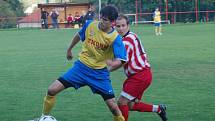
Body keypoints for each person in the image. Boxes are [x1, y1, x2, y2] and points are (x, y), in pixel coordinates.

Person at [36, 5, 126, 121]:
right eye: (101, 18)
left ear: (112, 22)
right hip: (80, 68)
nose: (102, 21)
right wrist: (69, 49)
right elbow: (79, 35)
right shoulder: (90, 25)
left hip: (99, 75)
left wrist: (113, 65)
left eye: (105, 20)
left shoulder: (115, 38)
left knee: (113, 107)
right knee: (51, 90)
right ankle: (44, 117)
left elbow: (121, 59)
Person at [107, 14, 168, 121]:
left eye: (123, 25)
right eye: (118, 26)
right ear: (114, 26)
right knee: (130, 105)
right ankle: (159, 109)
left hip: (140, 76)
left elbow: (118, 62)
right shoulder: (131, 36)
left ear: (128, 26)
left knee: (121, 102)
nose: (121, 28)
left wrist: (106, 69)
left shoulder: (127, 41)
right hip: (141, 75)